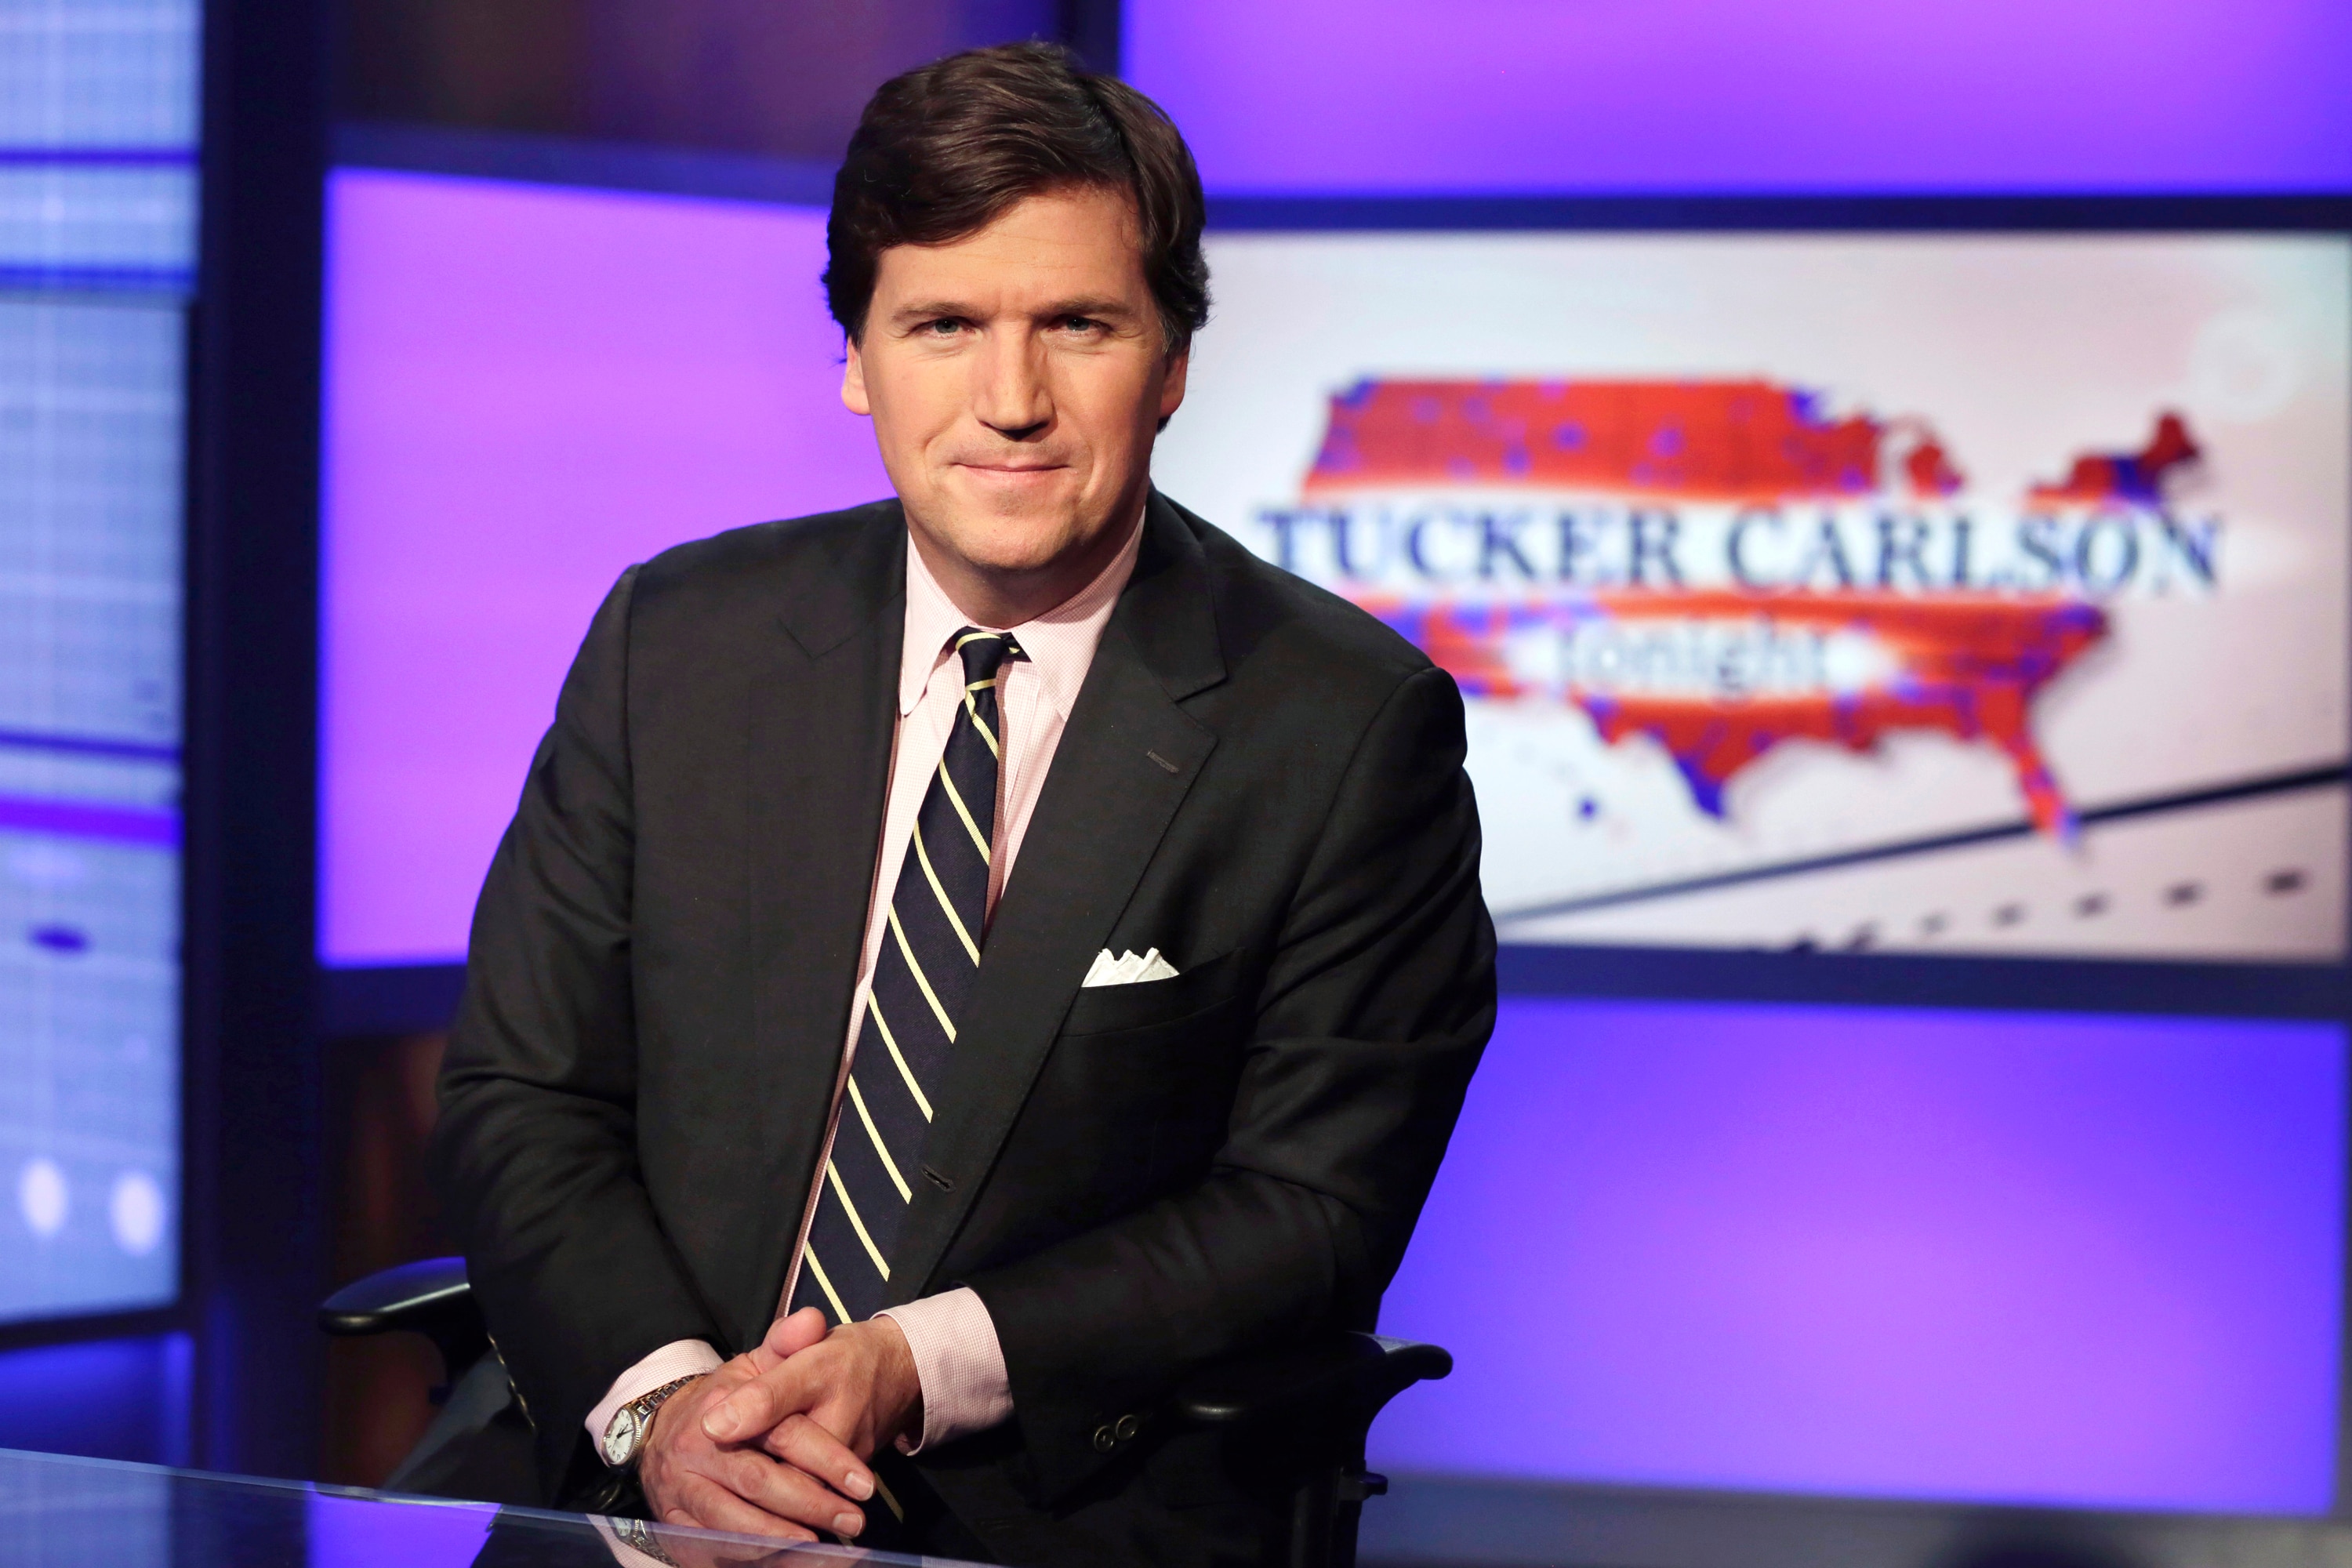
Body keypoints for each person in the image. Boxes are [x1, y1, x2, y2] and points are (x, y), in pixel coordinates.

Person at [431, 40, 1495, 1568]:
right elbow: (523, 1096)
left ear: (1175, 361)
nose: (1011, 400)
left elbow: (1309, 1205)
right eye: (944, 323)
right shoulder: (677, 639)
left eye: (1078, 323)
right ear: (858, 356)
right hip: (632, 1484)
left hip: (1040, 1509)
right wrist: (669, 1409)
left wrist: (906, 1364)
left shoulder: (1342, 725)